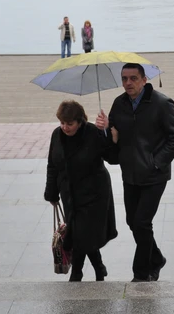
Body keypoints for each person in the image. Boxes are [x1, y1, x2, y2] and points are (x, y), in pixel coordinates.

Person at [97, 64, 174, 282]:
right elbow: (113, 151)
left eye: (133, 78)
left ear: (144, 80)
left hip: (154, 176)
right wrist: (106, 130)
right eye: (124, 78)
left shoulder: (162, 104)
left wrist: (157, 162)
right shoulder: (118, 104)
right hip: (130, 175)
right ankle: (156, 259)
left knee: (143, 223)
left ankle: (141, 273)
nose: (128, 83)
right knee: (132, 222)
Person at [43, 101, 118, 281]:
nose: (65, 127)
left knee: (81, 233)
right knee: (82, 233)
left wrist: (108, 133)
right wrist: (51, 193)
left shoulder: (92, 133)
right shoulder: (57, 135)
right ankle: (99, 267)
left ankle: (77, 272)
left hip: (94, 193)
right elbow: (52, 165)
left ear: (80, 121)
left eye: (69, 124)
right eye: (62, 123)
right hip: (69, 193)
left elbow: (112, 157)